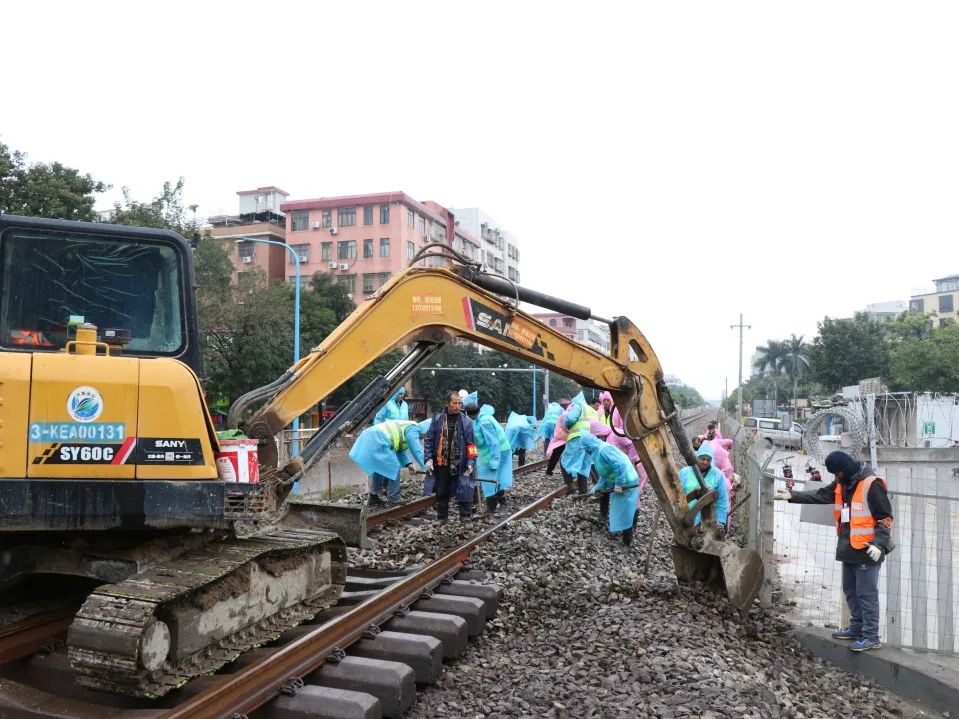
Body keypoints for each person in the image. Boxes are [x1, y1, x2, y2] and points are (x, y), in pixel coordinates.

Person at [775, 450, 894, 652]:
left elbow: (885, 517)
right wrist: (792, 496)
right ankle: (856, 628)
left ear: (844, 470)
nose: (835, 477)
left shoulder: (871, 484)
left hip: (868, 549)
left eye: (836, 473)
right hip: (849, 546)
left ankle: (871, 636)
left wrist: (879, 544)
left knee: (866, 594)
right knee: (850, 590)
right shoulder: (843, 482)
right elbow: (822, 494)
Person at [424, 392, 478, 521]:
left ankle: (465, 518)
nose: (458, 406)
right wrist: (428, 459)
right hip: (442, 463)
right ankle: (442, 518)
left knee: (464, 489)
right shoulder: (437, 420)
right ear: (447, 403)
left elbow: (471, 444)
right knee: (441, 491)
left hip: (461, 463)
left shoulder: (466, 422)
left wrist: (471, 461)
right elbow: (429, 440)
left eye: (460, 403)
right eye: (454, 403)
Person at [580, 433, 641, 547]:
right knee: (621, 509)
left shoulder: (604, 450)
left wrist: (619, 484)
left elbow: (621, 465)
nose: (585, 451)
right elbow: (605, 474)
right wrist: (596, 489)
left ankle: (627, 543)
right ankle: (625, 534)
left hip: (628, 481)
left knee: (626, 511)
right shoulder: (596, 452)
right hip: (622, 482)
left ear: (588, 446)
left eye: (585, 448)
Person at [348, 419, 426, 506]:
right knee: (394, 466)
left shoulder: (408, 427)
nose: (422, 438)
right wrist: (427, 466)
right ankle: (394, 498)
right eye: (424, 436)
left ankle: (374, 496)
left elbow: (400, 451)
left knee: (380, 467)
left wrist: (409, 464)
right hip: (377, 437)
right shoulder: (413, 429)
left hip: (371, 435)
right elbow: (417, 450)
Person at [465, 403, 513, 513]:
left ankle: (497, 505)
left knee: (490, 479)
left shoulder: (484, 422)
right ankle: (495, 504)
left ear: (470, 414)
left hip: (496, 453)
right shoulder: (479, 420)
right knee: (492, 479)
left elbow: (493, 443)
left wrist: (494, 461)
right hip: (488, 454)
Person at [678, 443, 729, 530]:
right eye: (702, 459)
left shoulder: (718, 476)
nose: (705, 462)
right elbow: (677, 493)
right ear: (697, 457)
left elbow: (722, 500)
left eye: (708, 460)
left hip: (707, 522)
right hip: (684, 517)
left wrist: (720, 522)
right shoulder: (685, 472)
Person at [561, 393, 599, 494]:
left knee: (564, 461)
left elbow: (570, 419)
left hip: (577, 438)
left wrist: (566, 424)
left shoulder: (578, 405)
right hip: (588, 439)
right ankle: (583, 491)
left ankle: (570, 484)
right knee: (583, 465)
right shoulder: (590, 409)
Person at [545, 397, 572, 475]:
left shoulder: (563, 412)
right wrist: (571, 431)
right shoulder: (565, 413)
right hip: (562, 437)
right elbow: (565, 426)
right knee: (558, 454)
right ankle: (550, 470)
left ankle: (549, 470)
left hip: (560, 436)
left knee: (556, 454)